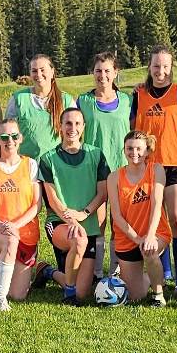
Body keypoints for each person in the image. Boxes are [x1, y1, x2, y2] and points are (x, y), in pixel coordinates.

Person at [131, 45, 177, 294]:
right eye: (156, 66)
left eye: (165, 66)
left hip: (176, 165)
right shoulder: (139, 95)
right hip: (148, 167)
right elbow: (131, 131)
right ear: (149, 67)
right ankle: (165, 272)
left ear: (171, 67)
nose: (160, 71)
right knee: (155, 222)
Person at [41, 105, 110, 304]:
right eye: (68, 123)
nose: (73, 128)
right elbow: (52, 198)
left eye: (77, 123)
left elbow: (102, 192)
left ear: (83, 127)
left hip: (87, 223)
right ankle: (69, 294)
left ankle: (48, 271)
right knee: (78, 240)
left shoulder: (96, 154)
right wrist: (70, 217)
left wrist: (84, 213)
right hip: (59, 223)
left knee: (84, 292)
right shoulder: (48, 159)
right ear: (60, 127)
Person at [0, 120, 43, 311]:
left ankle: (7, 279)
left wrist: (16, 225)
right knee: (10, 241)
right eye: (4, 137)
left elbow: (37, 205)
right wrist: (2, 225)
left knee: (18, 295)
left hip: (26, 233)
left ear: (20, 138)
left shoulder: (30, 164)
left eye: (14, 136)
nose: (9, 141)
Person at [108, 129, 169, 307]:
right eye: (130, 148)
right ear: (124, 150)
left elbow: (157, 205)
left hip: (155, 233)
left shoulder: (156, 170)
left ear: (147, 151)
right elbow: (116, 216)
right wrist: (137, 238)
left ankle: (158, 296)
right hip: (127, 238)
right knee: (136, 296)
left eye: (139, 149)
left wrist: (149, 236)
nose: (134, 153)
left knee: (149, 250)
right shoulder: (114, 177)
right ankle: (151, 277)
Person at [5, 53, 71, 161]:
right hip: (25, 166)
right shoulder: (18, 99)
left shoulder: (66, 101)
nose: (38, 74)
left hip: (57, 166)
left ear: (52, 72)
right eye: (34, 71)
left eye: (42, 70)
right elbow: (8, 135)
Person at [77, 52, 132, 176]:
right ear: (93, 72)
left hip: (123, 166)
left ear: (115, 72)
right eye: (98, 71)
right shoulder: (83, 101)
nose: (102, 75)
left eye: (107, 71)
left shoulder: (128, 101)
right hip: (93, 166)